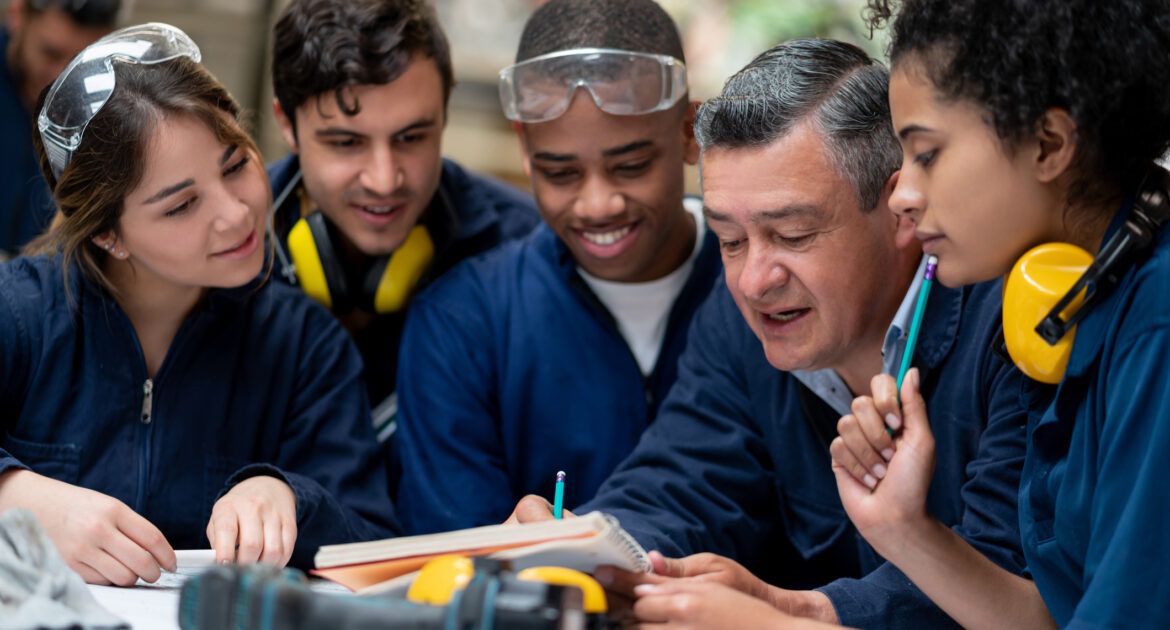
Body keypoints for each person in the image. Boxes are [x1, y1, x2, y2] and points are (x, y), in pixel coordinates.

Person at [508, 39, 1039, 628]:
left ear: (900, 212)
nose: (755, 282)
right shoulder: (736, 316)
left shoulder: (1011, 320)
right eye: (730, 241)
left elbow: (1013, 585)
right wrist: (590, 550)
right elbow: (681, 478)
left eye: (792, 235)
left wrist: (799, 611)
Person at [0, 23, 398, 587]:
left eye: (235, 165)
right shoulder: (18, 314)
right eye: (181, 205)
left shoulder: (304, 345)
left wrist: (289, 494)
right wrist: (16, 496)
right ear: (107, 235)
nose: (236, 215)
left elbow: (378, 547)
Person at [829, 1, 1170, 628]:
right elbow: (1051, 618)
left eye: (926, 154)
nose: (901, 195)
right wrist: (903, 527)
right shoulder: (1085, 304)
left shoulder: (1156, 325)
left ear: (1048, 144)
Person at [392, 0, 722, 535]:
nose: (598, 204)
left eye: (631, 166)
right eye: (560, 172)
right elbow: (451, 561)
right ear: (525, 149)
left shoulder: (762, 296)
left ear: (689, 132)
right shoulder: (463, 324)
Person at [267, 0, 540, 472]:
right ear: (286, 124)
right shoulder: (221, 249)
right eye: (346, 143)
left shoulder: (526, 249)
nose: (384, 179)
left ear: (445, 112)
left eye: (411, 138)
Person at [1, 0, 120, 258]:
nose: (61, 78)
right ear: (17, 15)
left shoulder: (114, 113)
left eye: (81, 62)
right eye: (51, 53)